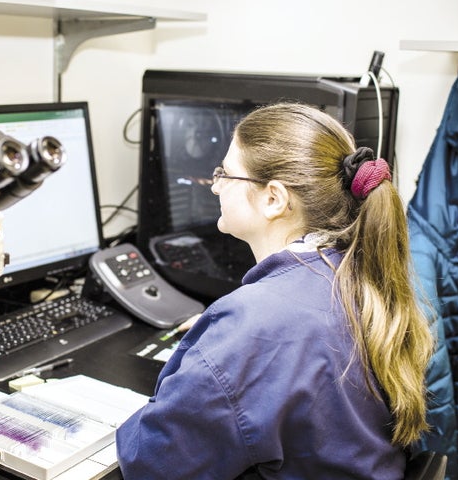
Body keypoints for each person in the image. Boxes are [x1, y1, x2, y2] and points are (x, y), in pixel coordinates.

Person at [115, 102, 434, 479]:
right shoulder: (357, 277)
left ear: (274, 198)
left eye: (225, 174)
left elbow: (151, 462)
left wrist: (227, 341)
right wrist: (229, 336)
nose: (215, 185)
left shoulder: (257, 324)